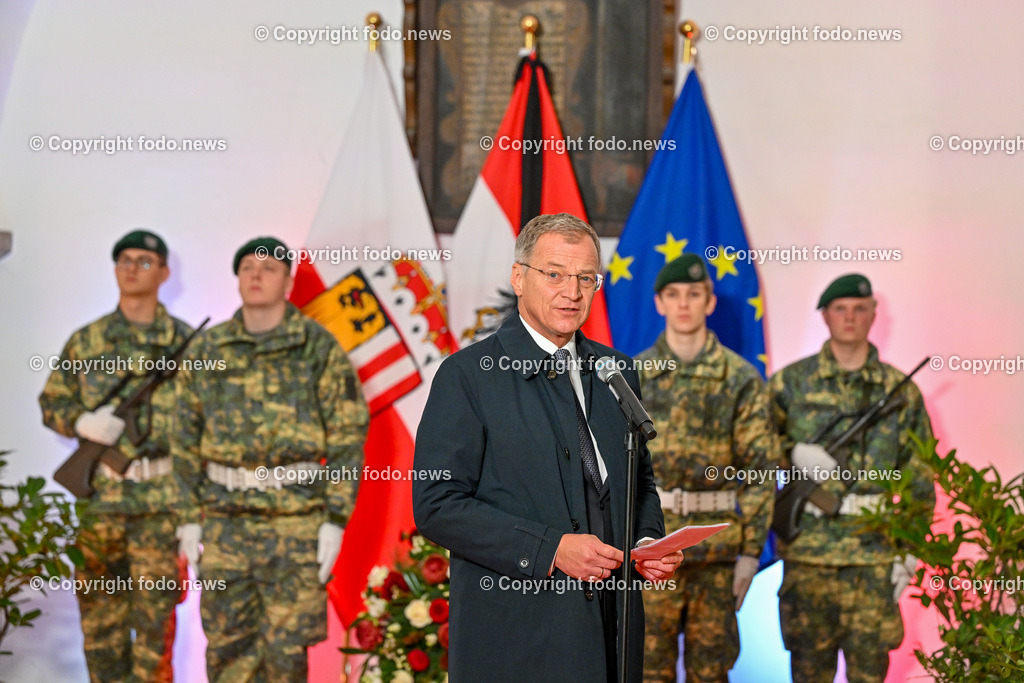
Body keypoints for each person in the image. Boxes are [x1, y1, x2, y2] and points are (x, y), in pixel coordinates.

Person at [413, 213, 683, 683]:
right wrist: (551, 549)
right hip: (518, 641)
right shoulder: (467, 376)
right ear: (519, 278)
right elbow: (437, 505)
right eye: (555, 274)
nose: (572, 292)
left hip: (613, 632)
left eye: (586, 278)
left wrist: (646, 542)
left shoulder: (616, 370)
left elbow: (639, 480)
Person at [171, 237, 368, 681]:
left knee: (285, 656)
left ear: (288, 282)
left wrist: (335, 519)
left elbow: (347, 435)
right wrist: (187, 517)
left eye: (268, 268)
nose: (256, 275)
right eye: (247, 268)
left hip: (294, 523)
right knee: (227, 650)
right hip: (225, 523)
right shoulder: (208, 349)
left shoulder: (316, 347)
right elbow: (182, 437)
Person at [38, 229, 192, 682]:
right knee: (101, 637)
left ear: (164, 273)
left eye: (144, 261)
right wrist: (81, 423)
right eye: (124, 260)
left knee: (155, 640)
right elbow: (52, 402)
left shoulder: (187, 345)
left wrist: (193, 517)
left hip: (162, 510)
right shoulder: (88, 341)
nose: (132, 269)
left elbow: (207, 432)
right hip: (101, 508)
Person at [768, 273, 934, 683]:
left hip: (873, 556)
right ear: (825, 315)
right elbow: (754, 449)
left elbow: (920, 479)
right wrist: (792, 452)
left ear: (873, 314)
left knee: (869, 675)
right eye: (840, 309)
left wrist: (910, 551)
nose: (850, 317)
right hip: (809, 557)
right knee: (809, 674)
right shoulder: (790, 383)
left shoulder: (900, 391)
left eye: (860, 309)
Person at [635, 253, 779, 683]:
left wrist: (750, 553)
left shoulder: (740, 378)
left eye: (694, 294)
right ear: (659, 302)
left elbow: (759, 472)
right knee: (647, 671)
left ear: (709, 302)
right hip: (652, 550)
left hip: (717, 554)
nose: (683, 304)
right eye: (673, 294)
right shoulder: (632, 377)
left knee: (711, 673)